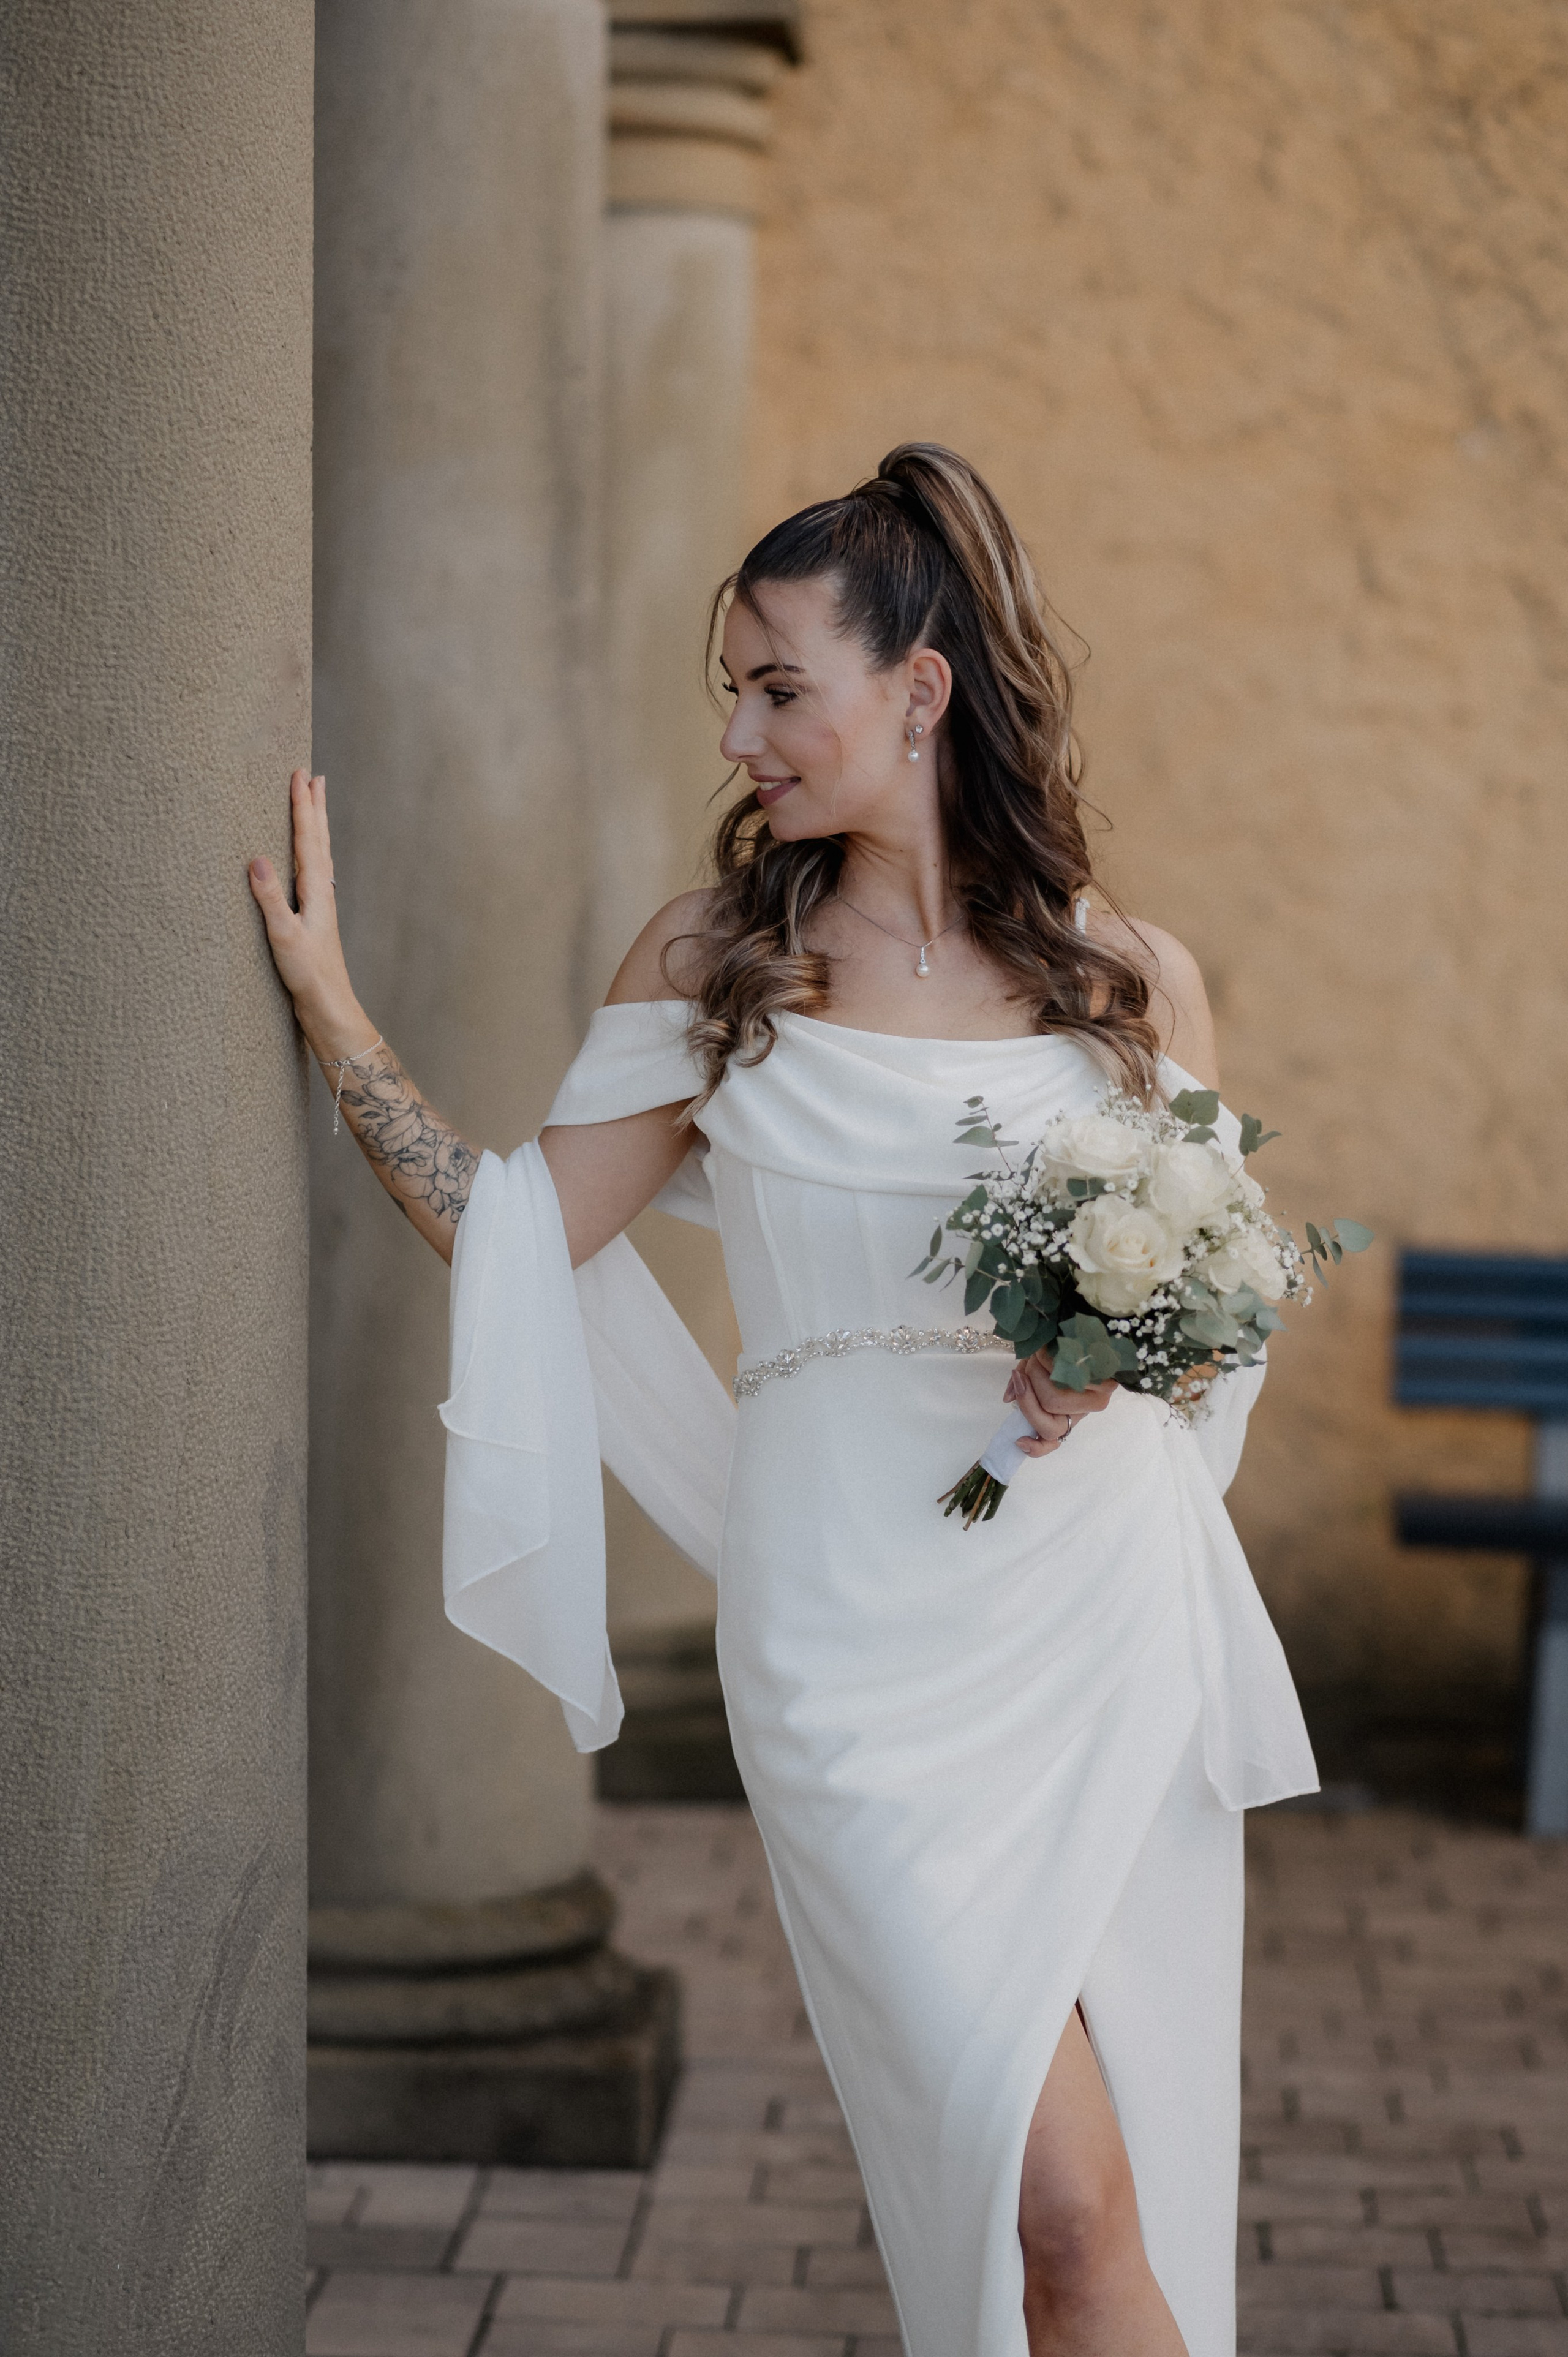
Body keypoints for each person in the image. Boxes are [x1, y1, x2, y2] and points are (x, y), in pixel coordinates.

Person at [250, 444, 1316, 2357]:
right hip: (849, 1655)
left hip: (1094, 1626)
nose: (740, 735)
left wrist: (1116, 1360)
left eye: (776, 688)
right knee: (1044, 2194)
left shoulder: (1132, 984)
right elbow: (513, 1235)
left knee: (1094, 2224)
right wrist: (335, 1017)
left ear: (919, 691)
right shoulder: (718, 967)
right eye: (729, 693)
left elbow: (1223, 1322)